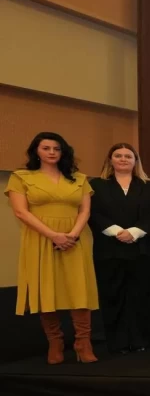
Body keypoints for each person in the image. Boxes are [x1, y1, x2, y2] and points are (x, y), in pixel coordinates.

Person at [6, 132, 99, 364]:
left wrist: (72, 235)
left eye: (56, 148)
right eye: (46, 148)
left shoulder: (79, 178)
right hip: (41, 239)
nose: (51, 152)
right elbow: (21, 212)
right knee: (46, 289)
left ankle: (83, 342)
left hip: (75, 238)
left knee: (79, 289)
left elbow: (85, 211)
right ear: (36, 151)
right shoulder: (21, 177)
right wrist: (53, 236)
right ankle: (55, 342)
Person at [88, 143, 150, 355]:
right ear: (110, 160)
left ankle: (142, 340)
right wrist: (117, 232)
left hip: (142, 249)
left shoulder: (149, 187)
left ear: (135, 161)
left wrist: (135, 232)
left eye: (128, 156)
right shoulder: (97, 186)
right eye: (118, 155)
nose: (123, 159)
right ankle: (117, 342)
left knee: (142, 296)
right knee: (113, 296)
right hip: (109, 250)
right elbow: (93, 213)